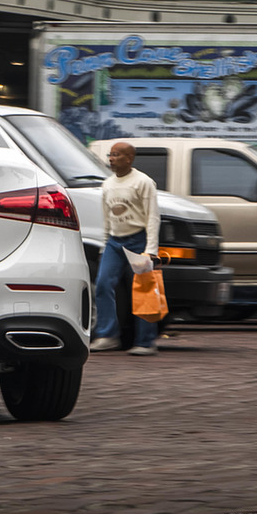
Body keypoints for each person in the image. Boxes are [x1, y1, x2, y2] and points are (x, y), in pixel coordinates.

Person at [89, 141, 161, 356]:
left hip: (138, 241)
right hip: (114, 242)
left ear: (129, 158)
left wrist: (151, 249)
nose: (111, 159)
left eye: (117, 155)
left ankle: (146, 342)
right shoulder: (108, 184)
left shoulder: (143, 182)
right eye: (110, 155)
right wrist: (104, 245)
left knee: (143, 290)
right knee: (102, 284)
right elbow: (107, 217)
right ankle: (107, 335)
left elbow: (153, 217)